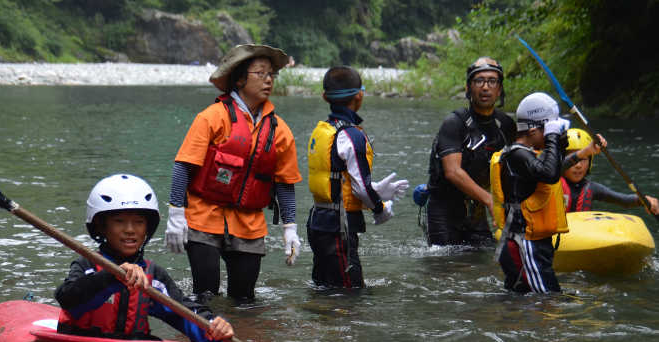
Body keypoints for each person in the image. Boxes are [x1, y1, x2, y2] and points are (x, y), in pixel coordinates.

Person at [164, 44, 303, 301]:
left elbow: (285, 183)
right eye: (261, 73)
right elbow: (183, 164)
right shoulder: (212, 117)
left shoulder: (279, 130)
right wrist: (175, 215)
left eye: (272, 74)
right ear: (239, 78)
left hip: (249, 225)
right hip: (203, 218)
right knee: (206, 296)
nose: (269, 80)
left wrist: (290, 228)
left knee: (244, 300)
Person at [55, 174, 234, 342]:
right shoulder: (87, 266)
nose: (130, 230)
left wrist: (213, 324)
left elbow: (185, 313)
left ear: (148, 227)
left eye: (139, 222)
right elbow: (67, 299)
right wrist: (112, 276)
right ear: (101, 226)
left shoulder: (153, 275)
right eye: (119, 221)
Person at [306, 65, 408, 289]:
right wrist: (380, 208)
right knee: (350, 295)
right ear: (359, 95)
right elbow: (361, 188)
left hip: (317, 221)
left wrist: (376, 189)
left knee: (323, 288)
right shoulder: (352, 135)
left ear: (325, 97)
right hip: (339, 227)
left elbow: (339, 180)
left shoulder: (324, 130)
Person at [423, 57, 517, 247]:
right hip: (444, 210)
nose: (485, 87)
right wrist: (490, 200)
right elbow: (452, 171)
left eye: (492, 81)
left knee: (482, 264)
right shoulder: (454, 123)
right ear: (468, 88)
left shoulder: (506, 126)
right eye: (478, 80)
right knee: (445, 267)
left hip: (478, 211)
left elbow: (519, 165)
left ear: (499, 89)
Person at [492, 92, 569, 294]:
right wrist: (552, 137)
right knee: (551, 302)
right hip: (523, 245)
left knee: (521, 304)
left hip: (527, 243)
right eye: (547, 131)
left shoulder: (525, 154)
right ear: (533, 129)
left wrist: (558, 139)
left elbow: (554, 166)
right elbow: (551, 174)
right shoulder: (517, 155)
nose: (549, 136)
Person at [561, 128, 659, 214]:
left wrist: (644, 199)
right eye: (573, 159)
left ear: (589, 163)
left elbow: (623, 200)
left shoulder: (592, 188)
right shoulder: (551, 181)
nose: (578, 165)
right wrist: (585, 151)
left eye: (583, 159)